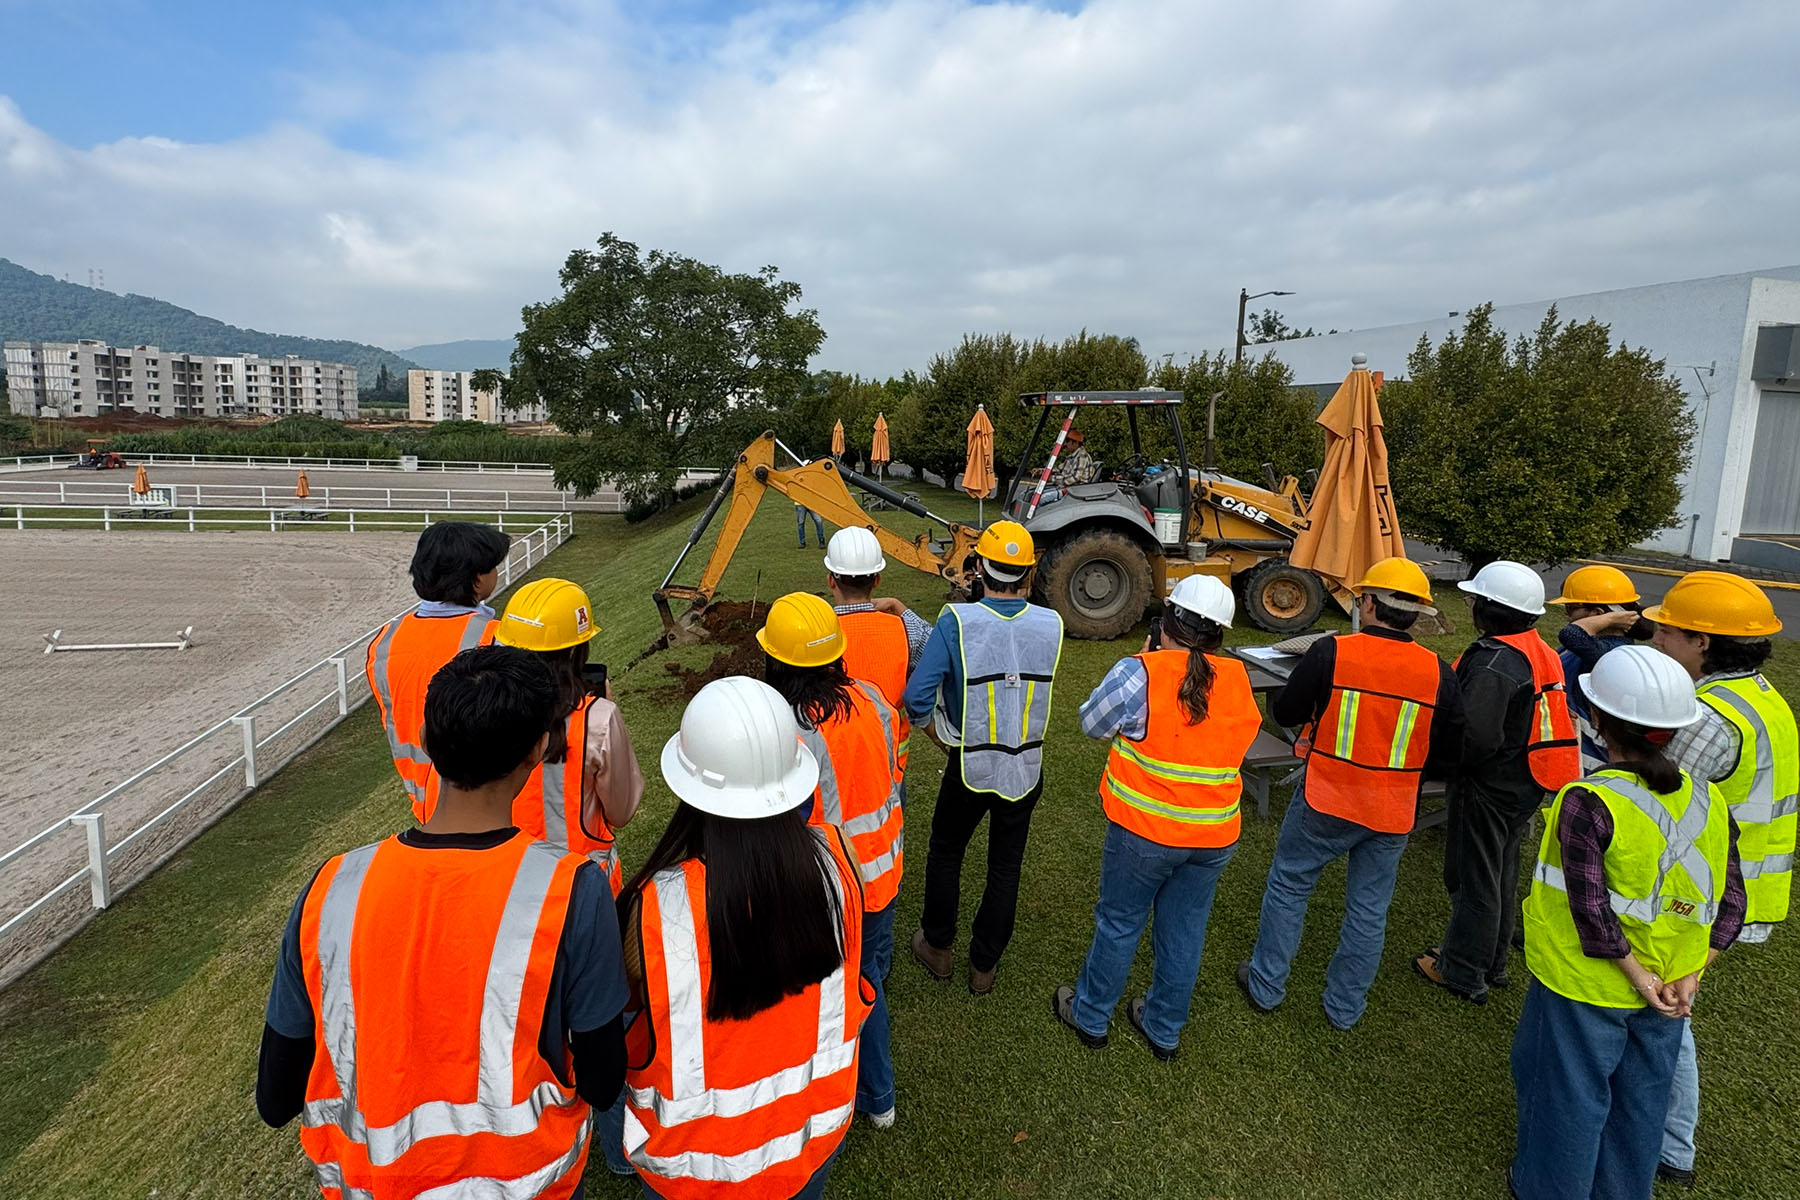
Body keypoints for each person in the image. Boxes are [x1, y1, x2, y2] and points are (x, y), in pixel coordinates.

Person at [258, 645, 629, 1199]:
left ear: (429, 743)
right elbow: (603, 1083)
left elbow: (276, 1098)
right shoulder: (572, 891)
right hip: (524, 1183)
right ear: (538, 749)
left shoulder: (332, 887)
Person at [620, 676, 873, 1200]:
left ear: (690, 787)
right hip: (810, 1141)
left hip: (693, 1169)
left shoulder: (655, 908)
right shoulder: (838, 861)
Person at [1510, 646, 1744, 1200]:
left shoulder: (1588, 799)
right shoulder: (1710, 801)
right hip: (1672, 987)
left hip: (1585, 986)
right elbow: (1731, 905)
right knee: (1641, 1103)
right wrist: (1689, 974)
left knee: (1567, 1095)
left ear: (1597, 718)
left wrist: (1638, 977)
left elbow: (1592, 911)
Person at [1237, 557, 1463, 1030]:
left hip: (1327, 796)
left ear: (1367, 602)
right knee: (1368, 910)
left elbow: (1291, 707)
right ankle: (1344, 1008)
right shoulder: (1438, 671)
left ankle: (1266, 984)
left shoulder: (1331, 651)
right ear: (1417, 614)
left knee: (1290, 885)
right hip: (1393, 808)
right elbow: (1449, 748)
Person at [1054, 576, 1262, 1058]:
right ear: (1221, 635)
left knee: (1120, 922)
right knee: (1185, 928)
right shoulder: (1238, 679)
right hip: (1213, 834)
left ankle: (1091, 1016)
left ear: (1165, 622)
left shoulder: (1140, 672)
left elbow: (1092, 723)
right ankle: (1164, 1027)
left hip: (1143, 832)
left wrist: (1148, 660)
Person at [1643, 570, 1794, 1187]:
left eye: (1666, 631)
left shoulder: (1707, 715)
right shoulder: (1763, 697)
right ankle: (1671, 1141)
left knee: (1665, 1010)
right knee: (1669, 1007)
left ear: (1702, 642)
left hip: (1699, 894)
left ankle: (1672, 1145)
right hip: (1744, 885)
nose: (1654, 638)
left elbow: (1658, 801)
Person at [758, 591, 906, 1127]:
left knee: (837, 994)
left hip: (828, 886)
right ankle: (876, 1097)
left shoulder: (790, 729)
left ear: (775, 660)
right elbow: (894, 770)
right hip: (883, 873)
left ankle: (853, 1096)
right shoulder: (870, 698)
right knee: (870, 980)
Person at [905, 520, 1065, 995]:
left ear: (978, 568)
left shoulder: (958, 621)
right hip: (1026, 766)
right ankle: (984, 966)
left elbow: (917, 698)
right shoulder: (1051, 623)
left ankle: (937, 947)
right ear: (1029, 574)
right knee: (1005, 866)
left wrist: (941, 736)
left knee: (946, 851)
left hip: (969, 763)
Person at [1416, 560, 1580, 1004]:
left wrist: (1437, 768)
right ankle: (1494, 962)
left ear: (1488, 609)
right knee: (1500, 873)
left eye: (1475, 600)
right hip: (1526, 779)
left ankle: (1464, 969)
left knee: (1473, 879)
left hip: (1489, 784)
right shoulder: (1535, 649)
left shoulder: (1495, 663)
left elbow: (1477, 736)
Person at [486, 578, 643, 893]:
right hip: (582, 890)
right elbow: (622, 810)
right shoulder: (597, 719)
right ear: (575, 649)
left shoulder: (482, 710)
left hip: (505, 886)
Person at [365, 520, 510, 819]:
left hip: (422, 798)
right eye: (494, 566)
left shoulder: (384, 641)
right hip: (483, 798)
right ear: (478, 578)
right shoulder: (494, 637)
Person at [1550, 565, 1652, 772]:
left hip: (1587, 764)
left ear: (1597, 613)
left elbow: (1572, 634)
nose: (1567, 616)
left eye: (1570, 609)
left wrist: (1610, 618)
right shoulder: (1592, 645)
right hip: (1567, 752)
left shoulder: (1613, 653)